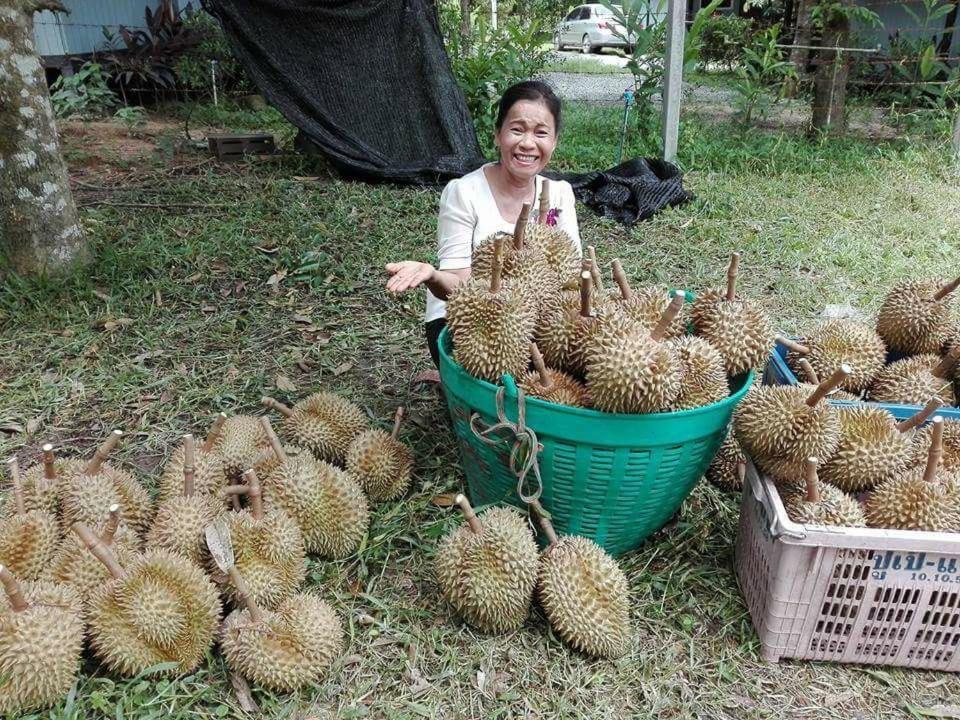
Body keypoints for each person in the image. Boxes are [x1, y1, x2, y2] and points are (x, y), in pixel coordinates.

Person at [385, 80, 582, 367]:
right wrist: (432, 275)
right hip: (467, 319)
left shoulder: (560, 194)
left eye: (541, 133)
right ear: (498, 135)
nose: (527, 143)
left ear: (554, 141)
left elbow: (572, 279)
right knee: (506, 373)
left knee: (576, 358)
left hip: (535, 322)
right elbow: (458, 283)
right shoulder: (464, 193)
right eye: (517, 129)